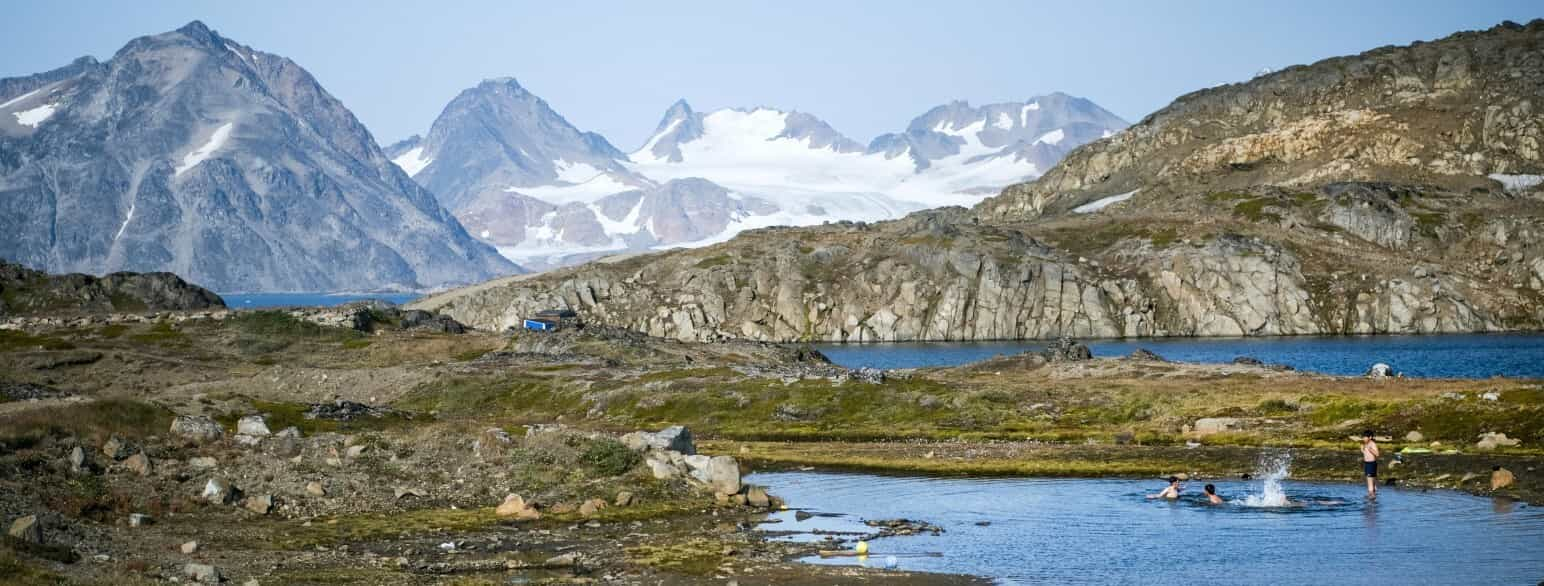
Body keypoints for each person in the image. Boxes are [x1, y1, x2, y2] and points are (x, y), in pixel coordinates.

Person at [1361, 430, 1380, 499]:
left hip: (1371, 464)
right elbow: (1367, 454)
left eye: (1365, 437)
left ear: (1370, 437)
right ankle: (1373, 495)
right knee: (1372, 481)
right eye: (1363, 437)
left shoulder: (1372, 444)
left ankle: (1371, 496)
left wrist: (1370, 449)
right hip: (1367, 463)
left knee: (1369, 481)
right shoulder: (1366, 444)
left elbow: (1377, 454)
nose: (1363, 438)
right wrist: (1363, 451)